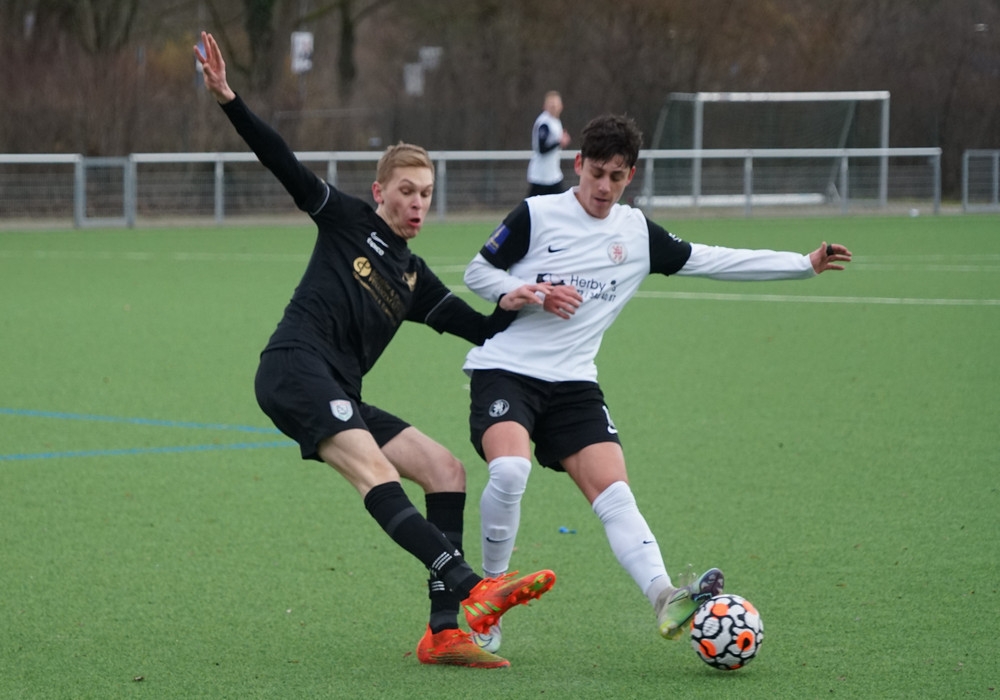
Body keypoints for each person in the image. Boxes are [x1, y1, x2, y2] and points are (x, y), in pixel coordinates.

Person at [193, 31, 558, 670]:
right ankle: (473, 588)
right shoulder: (346, 219)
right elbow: (281, 161)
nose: (418, 203)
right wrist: (229, 98)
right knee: (377, 475)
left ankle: (443, 632)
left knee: (446, 470)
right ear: (380, 190)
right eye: (407, 190)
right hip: (293, 368)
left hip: (342, 390)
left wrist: (518, 300)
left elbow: (481, 331)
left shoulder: (416, 278)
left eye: (427, 193)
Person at [462, 113, 853, 653]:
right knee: (510, 470)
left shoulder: (636, 233)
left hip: (573, 383)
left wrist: (802, 264)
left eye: (616, 177)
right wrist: (526, 292)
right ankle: (488, 598)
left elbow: (712, 259)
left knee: (616, 494)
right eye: (596, 173)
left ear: (631, 176)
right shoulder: (537, 214)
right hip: (507, 368)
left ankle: (664, 595)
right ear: (578, 165)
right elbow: (477, 272)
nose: (604, 187)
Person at [526, 91, 572, 197]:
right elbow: (542, 149)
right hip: (541, 176)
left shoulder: (555, 121)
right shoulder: (544, 123)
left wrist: (560, 142)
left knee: (560, 202)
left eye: (556, 105)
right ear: (544, 106)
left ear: (561, 106)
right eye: (551, 105)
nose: (554, 107)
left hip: (553, 174)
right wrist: (559, 142)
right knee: (532, 205)